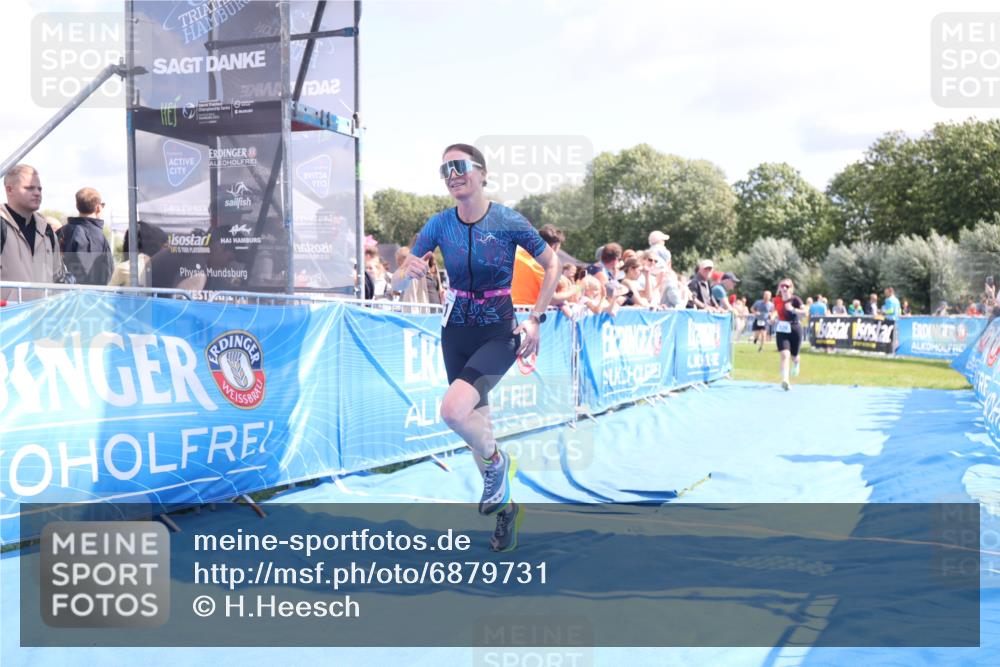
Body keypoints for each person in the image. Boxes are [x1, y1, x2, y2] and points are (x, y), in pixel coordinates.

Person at [393, 143, 559, 552]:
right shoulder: (438, 224)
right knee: (477, 431)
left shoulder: (507, 220)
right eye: (445, 168)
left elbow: (551, 263)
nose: (452, 174)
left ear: (481, 173)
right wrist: (403, 272)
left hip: (497, 332)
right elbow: (396, 286)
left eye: (460, 166)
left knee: (453, 411)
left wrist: (535, 317)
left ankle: (499, 464)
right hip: (456, 331)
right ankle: (506, 511)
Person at [0, 164, 64, 302]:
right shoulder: (2, 225)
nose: (37, 193)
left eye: (39, 188)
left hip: (43, 318)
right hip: (7, 319)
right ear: (9, 189)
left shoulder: (47, 230)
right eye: (29, 188)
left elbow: (58, 277)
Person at [58, 187, 114, 285]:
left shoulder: (61, 232)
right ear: (98, 208)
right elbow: (107, 272)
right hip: (90, 296)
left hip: (61, 295)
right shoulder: (99, 238)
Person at [773, 278, 806, 391]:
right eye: (782, 286)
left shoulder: (795, 299)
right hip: (782, 329)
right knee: (784, 355)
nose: (784, 288)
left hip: (795, 328)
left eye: (787, 286)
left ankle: (796, 363)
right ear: (779, 288)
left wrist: (793, 309)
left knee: (794, 356)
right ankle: (785, 380)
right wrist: (772, 317)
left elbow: (805, 313)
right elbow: (775, 311)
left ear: (791, 288)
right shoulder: (776, 300)